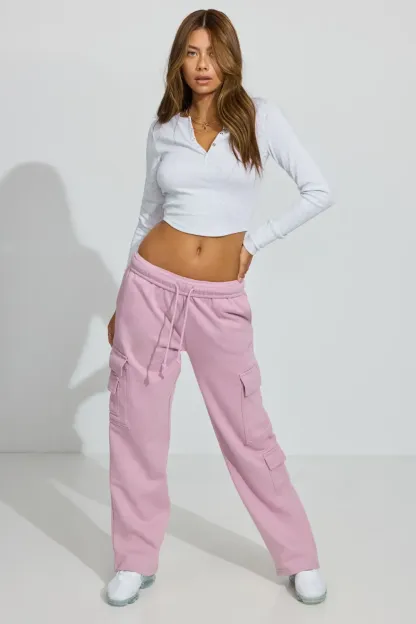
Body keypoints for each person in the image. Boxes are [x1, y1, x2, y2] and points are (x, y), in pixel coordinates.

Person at [105, 8, 334, 608]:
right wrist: (121, 299)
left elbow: (319, 191)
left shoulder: (261, 118)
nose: (203, 65)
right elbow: (147, 215)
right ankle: (134, 558)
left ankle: (298, 556)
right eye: (191, 52)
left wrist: (253, 243)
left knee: (247, 429)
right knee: (137, 426)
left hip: (217, 300)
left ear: (231, 57)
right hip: (149, 287)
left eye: (213, 52)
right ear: (178, 61)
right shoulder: (164, 129)